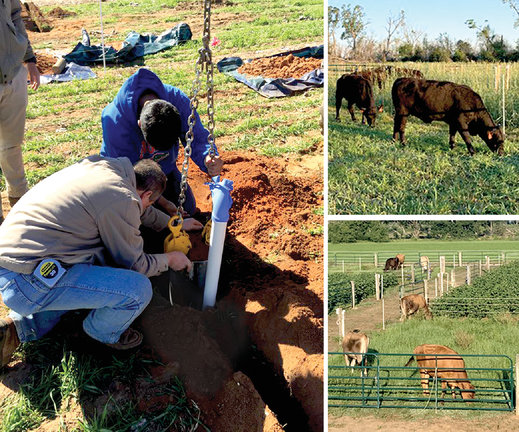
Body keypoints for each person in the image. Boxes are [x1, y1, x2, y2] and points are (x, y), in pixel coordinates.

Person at [0, 156, 202, 368]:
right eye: (150, 201)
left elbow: (140, 207)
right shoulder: (122, 199)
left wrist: (173, 225)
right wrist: (169, 260)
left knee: (91, 271)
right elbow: (136, 265)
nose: (147, 207)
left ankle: (15, 328)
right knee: (137, 289)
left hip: (14, 259)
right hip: (26, 279)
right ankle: (100, 334)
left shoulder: (107, 170)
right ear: (147, 194)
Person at [100, 68, 223, 217]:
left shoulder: (178, 100)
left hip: (164, 171)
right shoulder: (115, 120)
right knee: (141, 219)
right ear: (139, 124)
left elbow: (197, 136)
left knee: (186, 209)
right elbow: (127, 173)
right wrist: (161, 201)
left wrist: (207, 157)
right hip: (126, 177)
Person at [0, 0, 41, 223]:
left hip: (14, 73)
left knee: (11, 145)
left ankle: (19, 202)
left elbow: (15, 15)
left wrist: (30, 59)